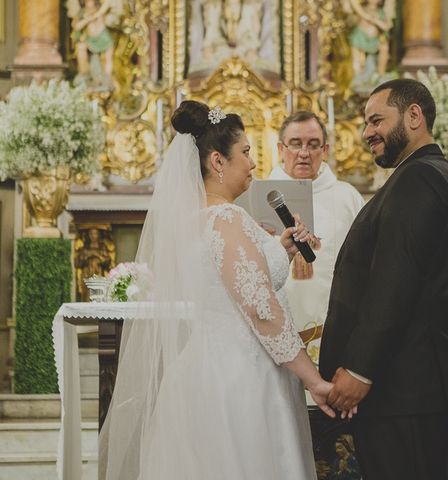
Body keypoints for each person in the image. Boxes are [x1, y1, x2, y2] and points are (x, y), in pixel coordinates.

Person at [99, 100, 342, 480]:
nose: (252, 163)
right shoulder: (226, 217)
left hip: (206, 368)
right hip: (240, 379)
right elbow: (261, 309)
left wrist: (279, 250)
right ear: (217, 161)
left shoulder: (198, 220)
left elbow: (233, 282)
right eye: (245, 152)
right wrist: (313, 380)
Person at [319, 78, 448, 479]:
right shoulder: (419, 175)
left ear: (414, 115)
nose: (367, 132)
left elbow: (394, 281)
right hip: (407, 390)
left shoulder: (418, 178)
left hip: (408, 392)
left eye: (376, 120)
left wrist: (359, 370)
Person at [269, 111, 365, 362]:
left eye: (313, 145)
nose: (304, 152)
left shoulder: (347, 197)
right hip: (275, 326)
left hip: (337, 327)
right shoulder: (262, 195)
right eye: (295, 144)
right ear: (281, 148)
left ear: (325, 149)